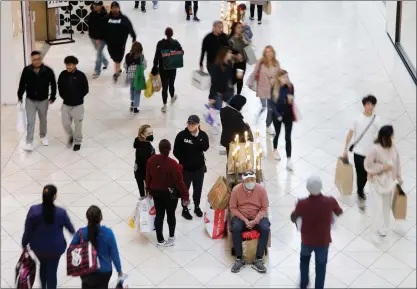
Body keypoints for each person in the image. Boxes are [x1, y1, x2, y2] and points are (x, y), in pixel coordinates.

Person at [290, 175, 343, 289]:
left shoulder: (302, 203)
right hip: (323, 241)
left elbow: (293, 217)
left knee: (304, 261)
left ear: (307, 188)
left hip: (307, 240)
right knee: (321, 266)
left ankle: (304, 283)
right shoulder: (330, 201)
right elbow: (339, 212)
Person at [22, 185, 75, 289]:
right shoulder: (61, 212)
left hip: (38, 249)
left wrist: (24, 243)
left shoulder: (33, 211)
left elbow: (27, 230)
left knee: (43, 265)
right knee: (52, 271)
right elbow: (71, 229)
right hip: (55, 249)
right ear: (54, 196)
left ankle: (43, 286)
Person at [146, 139, 190, 247]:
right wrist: (185, 196)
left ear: (159, 148)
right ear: (170, 150)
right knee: (171, 215)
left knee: (159, 215)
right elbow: (179, 182)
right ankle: (171, 237)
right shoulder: (173, 164)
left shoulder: (151, 160)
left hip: (156, 193)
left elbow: (147, 177)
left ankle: (160, 240)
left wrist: (148, 190)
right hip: (171, 194)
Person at [70, 205, 123, 289]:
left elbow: (72, 249)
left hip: (86, 271)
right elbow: (114, 254)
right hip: (105, 271)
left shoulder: (81, 233)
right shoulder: (108, 233)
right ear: (100, 218)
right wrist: (119, 270)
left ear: (87, 218)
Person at [343, 95, 381, 208]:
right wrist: (345, 148)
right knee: (360, 173)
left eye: (372, 104)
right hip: (358, 152)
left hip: (370, 153)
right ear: (364, 105)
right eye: (368, 104)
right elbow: (350, 133)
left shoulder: (377, 120)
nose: (370, 107)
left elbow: (381, 134)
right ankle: (360, 190)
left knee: (366, 173)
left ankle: (361, 188)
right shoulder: (357, 119)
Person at [364, 125, 403, 237]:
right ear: (385, 137)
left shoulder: (393, 147)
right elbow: (368, 165)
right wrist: (382, 167)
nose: (393, 138)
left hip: (389, 182)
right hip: (377, 182)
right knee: (378, 206)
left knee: (386, 206)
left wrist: (399, 177)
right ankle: (376, 226)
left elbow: (397, 163)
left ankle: (384, 227)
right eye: (391, 136)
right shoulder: (375, 149)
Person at [229, 171, 270, 273]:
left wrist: (255, 220)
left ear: (255, 180)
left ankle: (258, 259)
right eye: (248, 180)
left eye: (253, 180)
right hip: (241, 217)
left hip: (257, 216)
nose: (251, 182)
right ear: (243, 181)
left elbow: (264, 208)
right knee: (236, 228)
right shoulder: (236, 190)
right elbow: (233, 208)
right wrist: (244, 219)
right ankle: (239, 259)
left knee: (265, 229)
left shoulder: (261, 190)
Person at [17, 51, 57, 151]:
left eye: (38, 59)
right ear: (31, 60)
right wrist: (20, 97)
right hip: (30, 100)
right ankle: (29, 141)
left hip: (43, 100)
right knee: (30, 121)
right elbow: (22, 84)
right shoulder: (26, 70)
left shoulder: (48, 71)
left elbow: (53, 84)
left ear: (41, 59)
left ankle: (43, 136)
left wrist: (52, 96)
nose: (37, 61)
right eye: (34, 59)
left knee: (43, 120)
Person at [173, 115, 209, 220]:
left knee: (198, 189)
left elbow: (205, 147)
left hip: (199, 168)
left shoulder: (203, 135)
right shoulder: (181, 135)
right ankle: (185, 208)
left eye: (193, 124)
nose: (190, 125)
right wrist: (184, 161)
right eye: (189, 123)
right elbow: (176, 151)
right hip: (186, 170)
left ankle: (197, 206)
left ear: (198, 124)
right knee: (185, 190)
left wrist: (196, 138)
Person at [58, 56, 89, 151]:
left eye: (70, 65)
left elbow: (85, 89)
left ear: (75, 65)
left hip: (78, 105)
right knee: (65, 123)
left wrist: (78, 97)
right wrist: (64, 96)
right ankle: (71, 135)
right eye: (66, 65)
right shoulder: (63, 74)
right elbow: (59, 86)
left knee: (78, 125)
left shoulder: (81, 76)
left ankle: (77, 141)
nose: (68, 67)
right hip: (66, 104)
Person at [248, 45, 280, 134]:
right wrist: (250, 82)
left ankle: (268, 126)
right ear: (264, 53)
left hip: (272, 89)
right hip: (262, 88)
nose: (268, 53)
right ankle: (261, 110)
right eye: (266, 52)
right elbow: (255, 72)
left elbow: (278, 75)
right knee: (264, 105)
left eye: (270, 51)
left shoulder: (276, 63)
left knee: (270, 108)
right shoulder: (261, 61)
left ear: (273, 52)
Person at [151, 27, 184, 113]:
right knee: (171, 83)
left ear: (165, 34)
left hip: (163, 68)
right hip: (173, 67)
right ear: (172, 34)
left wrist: (155, 66)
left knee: (164, 86)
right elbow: (181, 52)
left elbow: (157, 56)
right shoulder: (176, 43)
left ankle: (165, 105)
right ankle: (172, 97)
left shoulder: (160, 43)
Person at [103, 1, 136, 83]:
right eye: (113, 8)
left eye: (116, 8)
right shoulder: (106, 18)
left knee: (118, 58)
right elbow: (101, 28)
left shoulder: (124, 19)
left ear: (119, 8)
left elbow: (130, 27)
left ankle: (116, 72)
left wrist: (133, 37)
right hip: (110, 43)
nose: (115, 9)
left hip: (121, 43)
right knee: (114, 57)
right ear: (111, 9)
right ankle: (118, 69)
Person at [268, 69, 295, 171]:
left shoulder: (290, 87)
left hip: (288, 115)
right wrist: (278, 115)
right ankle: (274, 149)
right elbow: (272, 104)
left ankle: (289, 159)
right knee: (277, 133)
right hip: (277, 115)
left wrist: (290, 101)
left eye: (287, 77)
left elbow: (292, 99)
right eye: (284, 77)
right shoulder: (274, 89)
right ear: (279, 78)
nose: (286, 79)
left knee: (288, 137)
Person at [199, 21, 229, 101]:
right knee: (215, 80)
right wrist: (201, 62)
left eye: (221, 27)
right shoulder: (208, 38)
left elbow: (228, 47)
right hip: (211, 63)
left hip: (221, 62)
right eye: (219, 27)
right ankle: (212, 98)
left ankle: (215, 96)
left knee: (219, 80)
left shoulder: (223, 36)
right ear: (214, 27)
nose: (220, 29)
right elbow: (203, 50)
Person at [124, 41, 147, 114]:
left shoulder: (127, 56)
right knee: (137, 91)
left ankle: (132, 102)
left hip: (130, 76)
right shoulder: (141, 57)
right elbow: (144, 65)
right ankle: (135, 107)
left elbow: (125, 66)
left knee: (132, 89)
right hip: (138, 76)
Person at [228, 22, 250, 95]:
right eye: (238, 27)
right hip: (235, 64)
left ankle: (238, 95)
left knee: (240, 79)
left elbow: (249, 46)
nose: (240, 29)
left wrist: (246, 42)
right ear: (234, 28)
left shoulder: (243, 36)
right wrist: (236, 57)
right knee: (233, 79)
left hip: (242, 63)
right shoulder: (231, 40)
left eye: (241, 27)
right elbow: (228, 54)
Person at [133, 124, 155, 197]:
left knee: (142, 193)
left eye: (152, 133)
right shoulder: (144, 148)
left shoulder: (141, 142)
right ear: (142, 135)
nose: (151, 135)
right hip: (144, 172)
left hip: (138, 172)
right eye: (149, 134)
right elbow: (145, 164)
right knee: (147, 193)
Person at [88, 1, 109, 79]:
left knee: (98, 54)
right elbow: (90, 24)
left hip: (101, 38)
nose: (95, 6)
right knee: (98, 52)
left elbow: (105, 29)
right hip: (92, 36)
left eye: (96, 5)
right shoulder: (92, 13)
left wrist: (99, 38)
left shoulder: (105, 15)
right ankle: (106, 62)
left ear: (101, 6)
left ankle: (97, 71)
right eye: (94, 5)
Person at [211, 46, 235, 111]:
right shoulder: (217, 66)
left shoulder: (230, 64)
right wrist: (212, 96)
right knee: (218, 112)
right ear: (224, 54)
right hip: (219, 93)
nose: (231, 54)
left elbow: (230, 78)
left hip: (228, 92)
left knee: (231, 109)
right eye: (229, 53)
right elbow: (213, 82)